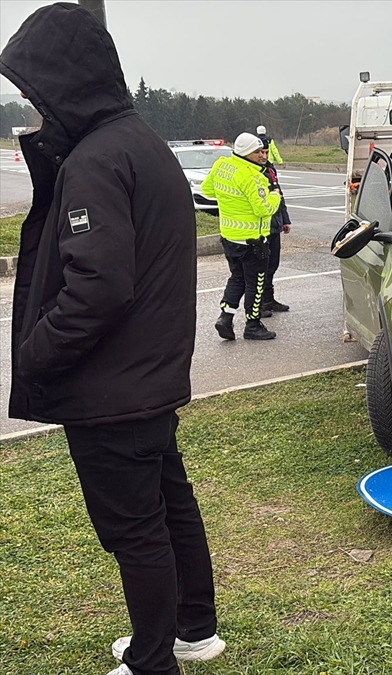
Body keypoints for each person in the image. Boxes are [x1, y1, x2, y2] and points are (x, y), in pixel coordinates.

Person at [0, 5, 224, 675]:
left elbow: (98, 286)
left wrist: (35, 351)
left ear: (67, 83)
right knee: (169, 505)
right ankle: (194, 628)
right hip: (148, 379)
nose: (33, 106)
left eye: (36, 90)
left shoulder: (97, 160)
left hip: (112, 387)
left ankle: (155, 660)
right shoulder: (142, 143)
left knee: (135, 528)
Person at [202, 133, 281, 340]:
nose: (261, 155)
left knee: (237, 277)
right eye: (257, 152)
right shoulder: (252, 176)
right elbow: (264, 209)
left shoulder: (222, 165)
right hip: (253, 240)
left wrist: (230, 201)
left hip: (229, 237)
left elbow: (207, 189)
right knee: (255, 283)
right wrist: (275, 196)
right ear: (247, 153)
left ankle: (225, 318)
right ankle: (253, 325)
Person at [260, 159, 292, 315]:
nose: (263, 155)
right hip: (261, 229)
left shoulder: (270, 170)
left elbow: (280, 196)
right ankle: (259, 304)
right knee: (261, 267)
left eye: (266, 152)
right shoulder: (253, 172)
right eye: (260, 152)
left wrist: (285, 220)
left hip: (275, 224)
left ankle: (269, 299)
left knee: (272, 265)